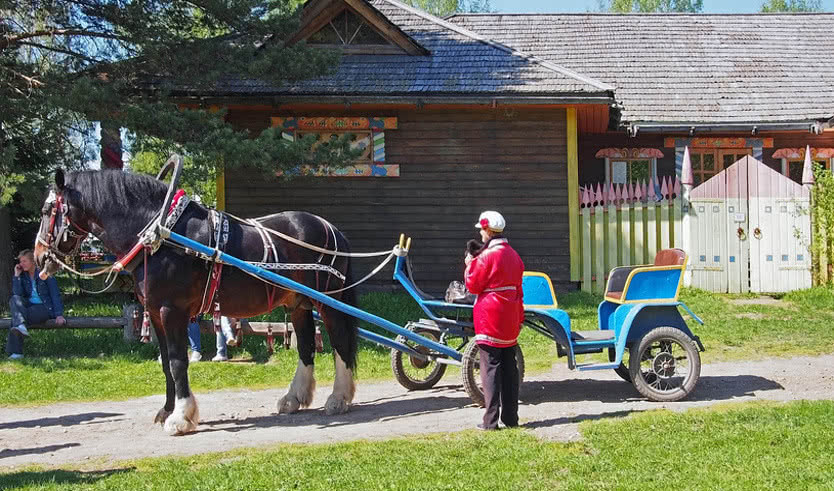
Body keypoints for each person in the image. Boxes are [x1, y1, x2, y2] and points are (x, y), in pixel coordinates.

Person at [464, 211, 524, 430]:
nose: (480, 234)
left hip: (490, 317)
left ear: (488, 231)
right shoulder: (514, 255)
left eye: (482, 230)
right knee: (509, 368)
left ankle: (490, 421)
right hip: (510, 315)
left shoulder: (486, 257)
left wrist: (469, 264)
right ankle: (511, 418)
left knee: (490, 368)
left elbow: (473, 285)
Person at [6, 249, 66, 359]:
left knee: (16, 320)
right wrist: (17, 276)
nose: (21, 264)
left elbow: (55, 294)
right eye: (20, 261)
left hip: (44, 308)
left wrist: (59, 314)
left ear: (33, 261)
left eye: (24, 261)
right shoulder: (23, 275)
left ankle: (16, 352)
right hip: (29, 306)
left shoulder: (45, 273)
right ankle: (20, 326)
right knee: (14, 299)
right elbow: (17, 294)